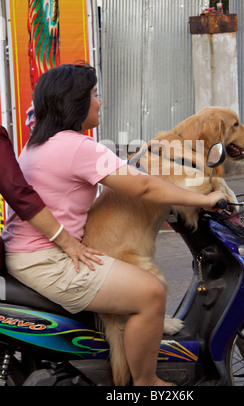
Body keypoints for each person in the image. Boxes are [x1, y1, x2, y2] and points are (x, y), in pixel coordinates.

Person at [1, 63, 228, 387]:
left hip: (25, 253)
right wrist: (204, 199)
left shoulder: (38, 143)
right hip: (46, 259)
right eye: (95, 94)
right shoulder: (78, 147)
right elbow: (144, 187)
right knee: (150, 293)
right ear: (76, 101)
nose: (100, 101)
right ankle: (146, 383)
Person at [0, 125, 103, 271]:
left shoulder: (35, 144)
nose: (99, 101)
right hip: (35, 255)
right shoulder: (77, 146)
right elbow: (16, 192)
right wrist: (68, 243)